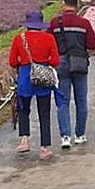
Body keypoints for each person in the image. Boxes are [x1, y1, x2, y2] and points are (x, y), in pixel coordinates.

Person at [49, 0, 95, 148]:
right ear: (77, 4)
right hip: (80, 63)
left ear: (63, 2)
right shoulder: (84, 23)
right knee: (81, 100)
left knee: (62, 100)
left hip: (61, 63)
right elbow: (92, 44)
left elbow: (50, 42)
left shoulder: (55, 23)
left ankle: (65, 136)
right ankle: (80, 134)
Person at [9, 11, 60, 160]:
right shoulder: (49, 38)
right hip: (43, 76)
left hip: (25, 76)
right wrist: (44, 63)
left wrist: (23, 62)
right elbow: (55, 61)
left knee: (23, 109)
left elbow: (12, 62)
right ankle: (45, 147)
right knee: (44, 112)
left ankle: (24, 140)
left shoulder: (19, 39)